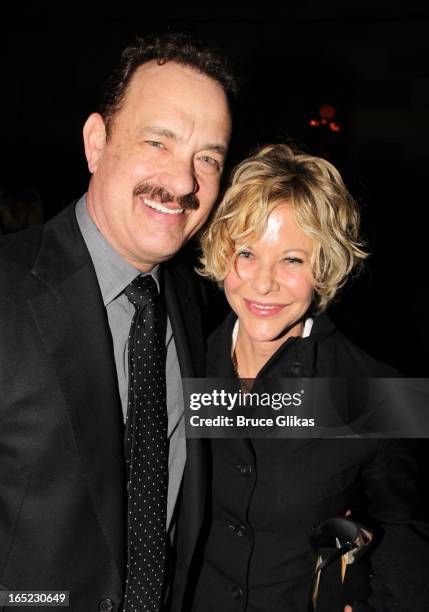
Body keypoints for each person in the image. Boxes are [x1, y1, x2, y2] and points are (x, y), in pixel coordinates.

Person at [0, 33, 234, 611]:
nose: (184, 183)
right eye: (159, 141)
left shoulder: (193, 299)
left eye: (208, 157)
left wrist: (395, 414)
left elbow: (263, 414)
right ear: (96, 142)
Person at [192, 144, 429, 611]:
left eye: (293, 260)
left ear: (324, 268)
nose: (263, 283)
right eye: (246, 253)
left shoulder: (374, 390)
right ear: (222, 253)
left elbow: (408, 526)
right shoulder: (182, 361)